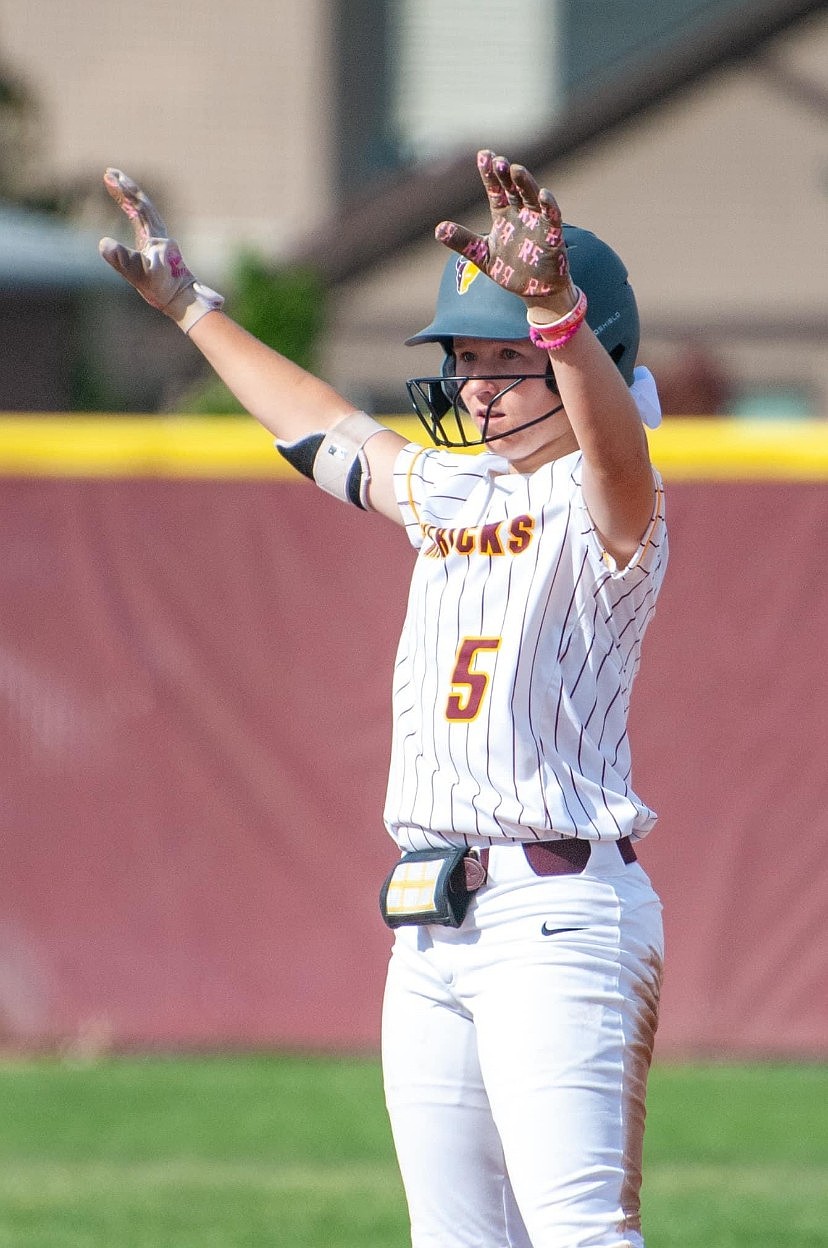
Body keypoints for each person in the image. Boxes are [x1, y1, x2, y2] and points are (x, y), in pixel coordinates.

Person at [99, 149, 668, 1248]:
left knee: (581, 1234)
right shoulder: (458, 486)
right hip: (433, 918)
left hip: (558, 915)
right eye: (468, 357)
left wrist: (557, 314)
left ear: (584, 353)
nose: (477, 383)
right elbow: (322, 428)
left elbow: (616, 455)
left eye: (507, 358)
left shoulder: (614, 497)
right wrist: (190, 310)